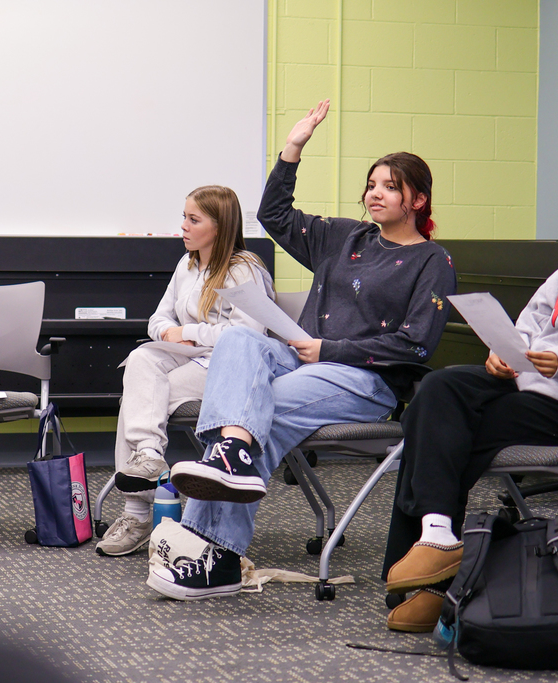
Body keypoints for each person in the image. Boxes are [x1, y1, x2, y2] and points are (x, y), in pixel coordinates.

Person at [148, 100, 457, 600]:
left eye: (389, 187)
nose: (374, 194)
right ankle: (230, 461)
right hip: (301, 356)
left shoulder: (432, 261)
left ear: (417, 201)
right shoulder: (344, 237)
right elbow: (273, 214)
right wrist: (293, 148)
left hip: (363, 379)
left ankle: (214, 553)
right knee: (242, 340)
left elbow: (416, 344)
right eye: (372, 184)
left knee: (257, 414)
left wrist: (328, 347)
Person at [381, 253, 558, 632]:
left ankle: (439, 582)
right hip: (526, 380)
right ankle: (437, 538)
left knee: (450, 429)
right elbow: (532, 318)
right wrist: (505, 349)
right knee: (437, 390)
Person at [95, 185, 274, 556]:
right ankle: (149, 455)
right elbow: (157, 318)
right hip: (185, 355)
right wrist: (168, 332)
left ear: (220, 227)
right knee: (142, 359)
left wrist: (189, 333)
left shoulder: (244, 269)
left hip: (223, 369)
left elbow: (250, 336)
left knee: (138, 398)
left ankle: (136, 511)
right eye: (184, 217)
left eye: (193, 220)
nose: (183, 227)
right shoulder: (187, 264)